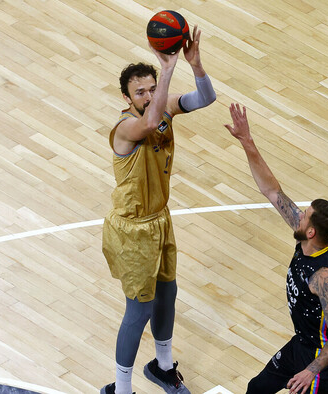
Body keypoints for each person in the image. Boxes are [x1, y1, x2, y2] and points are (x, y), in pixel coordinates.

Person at [101, 25, 216, 394]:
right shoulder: (125, 127)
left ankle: (162, 367)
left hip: (160, 220)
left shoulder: (163, 106)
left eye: (152, 88)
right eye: (141, 92)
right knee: (139, 312)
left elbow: (206, 98)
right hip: (132, 229)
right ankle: (121, 389)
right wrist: (166, 68)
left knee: (168, 293)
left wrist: (195, 65)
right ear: (126, 97)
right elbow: (150, 123)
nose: (149, 96)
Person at [224, 103, 328, 394]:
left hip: (322, 364)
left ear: (311, 231)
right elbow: (272, 190)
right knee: (257, 389)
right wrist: (247, 142)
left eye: (304, 214)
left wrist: (310, 371)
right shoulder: (306, 235)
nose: (297, 213)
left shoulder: (325, 276)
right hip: (301, 345)